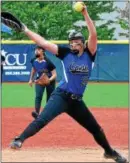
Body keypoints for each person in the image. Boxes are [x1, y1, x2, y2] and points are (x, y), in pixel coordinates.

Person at [10, 3, 127, 163]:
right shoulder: (64, 53)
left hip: (76, 101)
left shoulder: (89, 54)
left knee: (96, 129)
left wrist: (85, 13)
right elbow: (44, 43)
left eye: (76, 40)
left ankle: (110, 152)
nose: (73, 43)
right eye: (71, 41)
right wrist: (25, 29)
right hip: (61, 96)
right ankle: (20, 139)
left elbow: (93, 34)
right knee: (42, 119)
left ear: (83, 42)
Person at [28, 46, 57, 119]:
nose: (36, 51)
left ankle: (47, 114)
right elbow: (34, 69)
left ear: (42, 51)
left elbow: (54, 75)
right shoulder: (33, 60)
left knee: (49, 98)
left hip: (50, 81)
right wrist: (31, 79)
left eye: (38, 50)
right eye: (35, 50)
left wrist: (48, 80)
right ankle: (37, 114)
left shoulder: (48, 62)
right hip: (39, 80)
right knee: (38, 96)